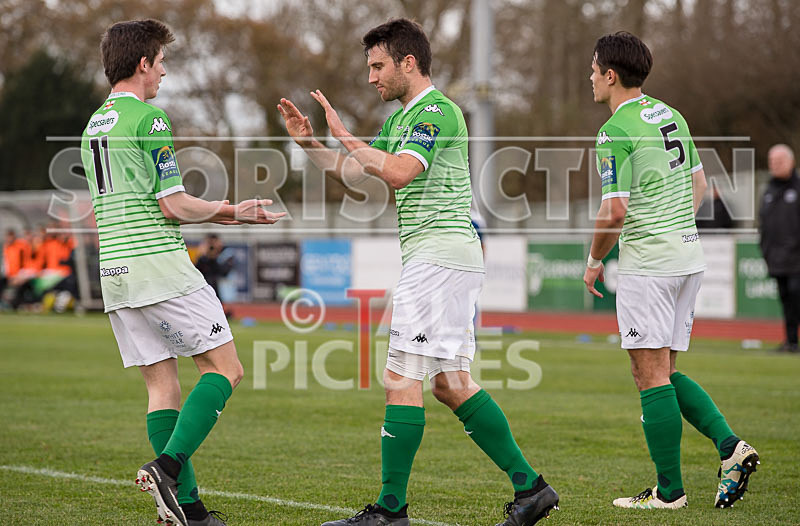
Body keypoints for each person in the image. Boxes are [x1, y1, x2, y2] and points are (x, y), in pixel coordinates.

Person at [278, 18, 559, 526]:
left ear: (409, 62)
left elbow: (401, 172)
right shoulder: (401, 120)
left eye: (378, 65)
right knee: (451, 384)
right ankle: (531, 489)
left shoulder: (437, 112)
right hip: (442, 260)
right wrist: (312, 144)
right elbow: (357, 173)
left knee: (399, 379)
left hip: (439, 259)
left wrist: (343, 132)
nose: (371, 77)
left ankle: (390, 512)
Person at [80, 19, 284, 526]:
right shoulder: (148, 119)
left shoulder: (92, 127)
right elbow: (172, 205)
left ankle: (188, 511)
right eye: (161, 61)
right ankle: (167, 468)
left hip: (117, 274)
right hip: (158, 265)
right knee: (226, 369)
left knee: (161, 388)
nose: (165, 71)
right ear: (143, 63)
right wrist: (235, 211)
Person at [583, 31, 759, 510]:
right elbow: (699, 183)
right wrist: (675, 224)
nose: (590, 76)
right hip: (687, 258)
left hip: (649, 264)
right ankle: (730, 449)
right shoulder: (670, 114)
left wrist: (596, 260)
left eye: (594, 68)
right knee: (665, 371)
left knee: (649, 374)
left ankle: (669, 492)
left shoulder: (614, 131)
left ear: (611, 75)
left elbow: (614, 212)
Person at [759, 144, 800, 353]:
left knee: (796, 297)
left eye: (780, 161)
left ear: (791, 162)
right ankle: (791, 341)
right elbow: (764, 224)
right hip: (777, 259)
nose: (775, 165)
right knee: (786, 301)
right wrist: (765, 251)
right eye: (772, 162)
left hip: (797, 260)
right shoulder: (769, 190)